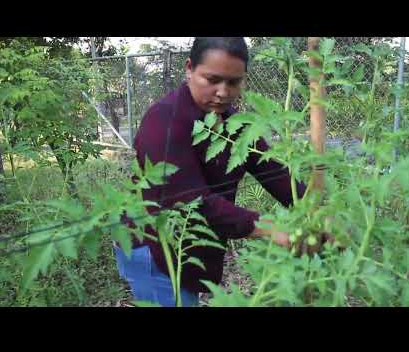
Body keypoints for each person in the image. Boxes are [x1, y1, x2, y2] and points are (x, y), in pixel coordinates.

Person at [114, 37, 306, 307]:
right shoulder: (165, 121)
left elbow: (272, 170)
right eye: (212, 79)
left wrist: (313, 208)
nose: (223, 92)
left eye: (233, 82)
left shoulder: (233, 122)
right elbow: (190, 201)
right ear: (189, 68)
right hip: (155, 249)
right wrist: (267, 227)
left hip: (188, 247)